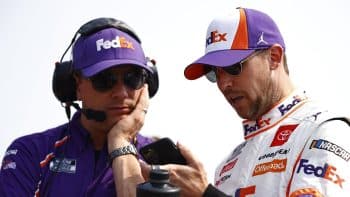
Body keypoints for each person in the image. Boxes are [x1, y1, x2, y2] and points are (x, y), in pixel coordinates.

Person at [140, 7, 350, 196]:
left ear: (274, 57)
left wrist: (205, 194)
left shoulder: (325, 131)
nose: (223, 84)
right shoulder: (227, 166)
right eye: (215, 74)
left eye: (233, 67)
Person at [0, 17, 159, 196]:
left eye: (133, 78)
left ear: (147, 84)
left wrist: (120, 141)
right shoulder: (31, 152)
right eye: (105, 80)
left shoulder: (165, 161)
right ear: (76, 85)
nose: (121, 93)